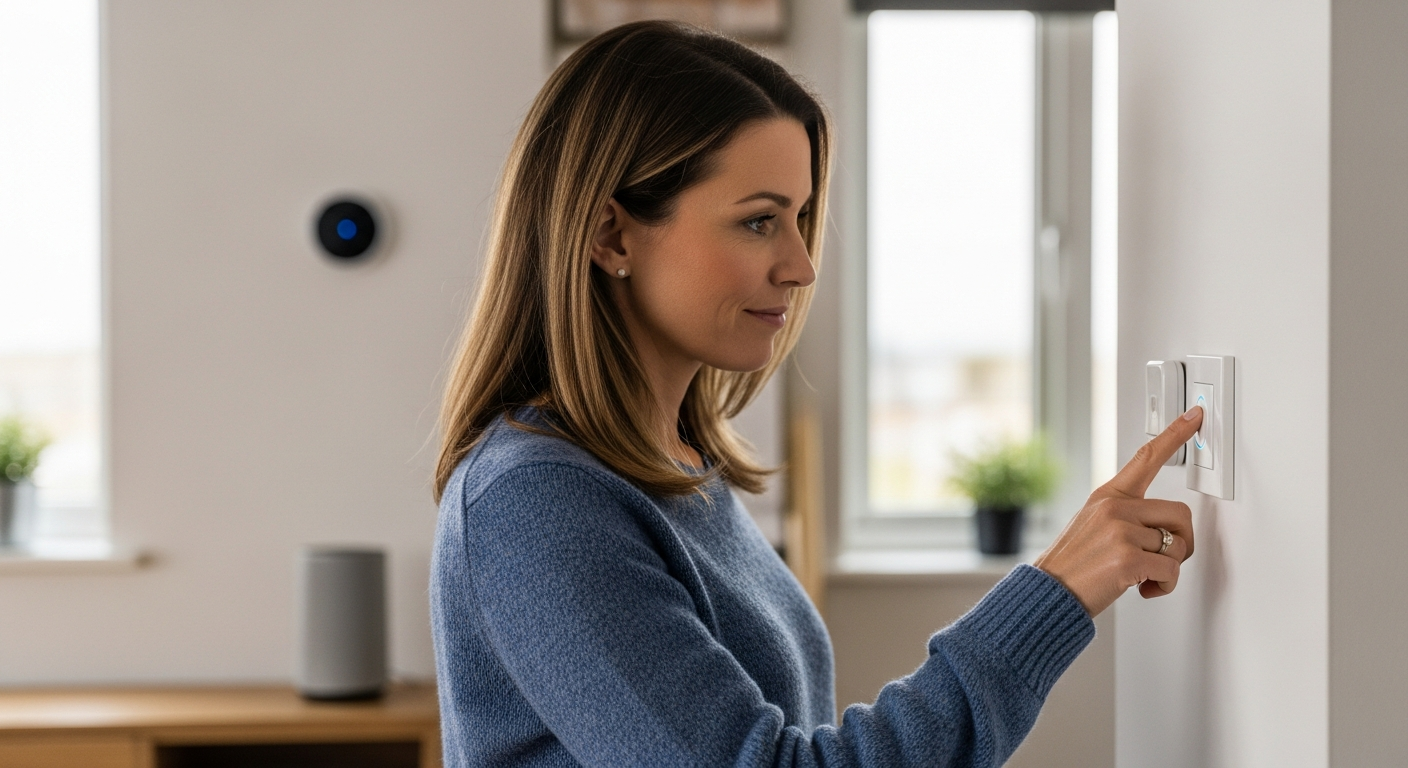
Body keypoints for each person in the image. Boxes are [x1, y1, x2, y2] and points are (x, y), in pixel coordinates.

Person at [430, 20, 1199, 768]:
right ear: (610, 236)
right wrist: (1054, 593)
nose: (800, 265)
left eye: (798, 220)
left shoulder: (680, 470)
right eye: (759, 221)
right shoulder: (535, 500)